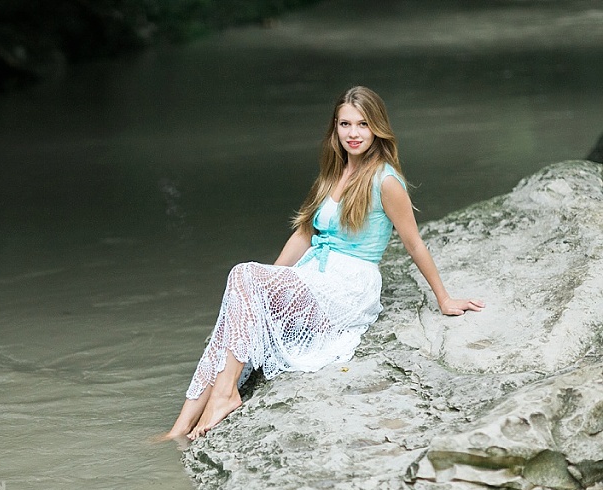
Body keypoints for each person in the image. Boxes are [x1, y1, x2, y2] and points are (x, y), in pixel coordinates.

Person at [161, 86, 485, 442]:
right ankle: (180, 427)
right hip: (313, 275)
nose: (353, 133)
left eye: (363, 124)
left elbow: (413, 241)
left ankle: (224, 396)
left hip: (348, 286)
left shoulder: (386, 180)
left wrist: (444, 298)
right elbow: (304, 235)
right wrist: (267, 284)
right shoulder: (332, 174)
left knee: (243, 275)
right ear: (335, 129)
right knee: (239, 308)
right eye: (345, 124)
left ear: (377, 128)